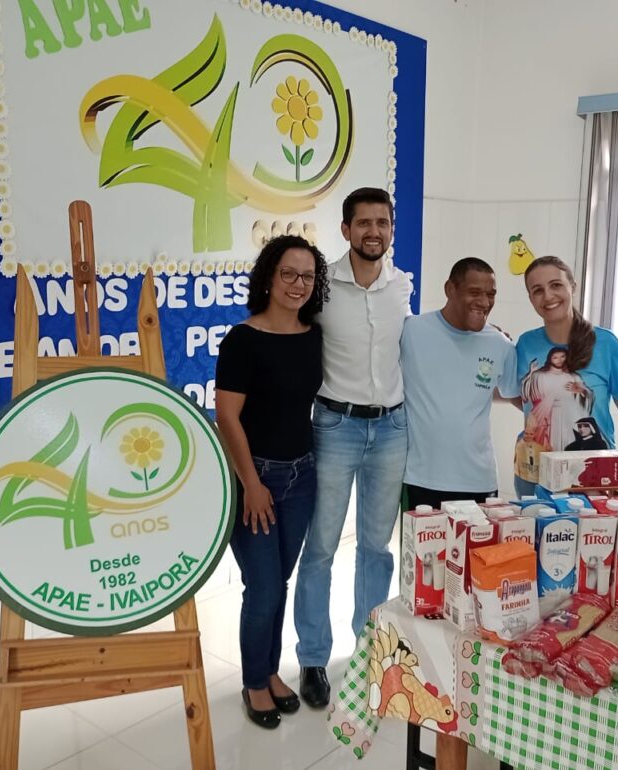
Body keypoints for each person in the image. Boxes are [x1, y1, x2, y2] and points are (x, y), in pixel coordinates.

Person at [293, 187, 412, 709]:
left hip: (391, 428)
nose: (373, 232)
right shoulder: (322, 286)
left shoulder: (401, 285)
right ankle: (313, 658)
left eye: (382, 223)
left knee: (376, 548)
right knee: (320, 547)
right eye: (363, 223)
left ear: (391, 229)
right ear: (345, 230)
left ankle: (369, 653)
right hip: (335, 427)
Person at [214, 235, 328, 729]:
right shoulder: (243, 340)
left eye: (307, 276)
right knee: (261, 587)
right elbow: (227, 417)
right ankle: (254, 682)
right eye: (288, 273)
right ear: (267, 277)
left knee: (278, 582)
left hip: (302, 476)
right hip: (255, 478)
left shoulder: (313, 335)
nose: (298, 284)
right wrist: (251, 484)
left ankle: (270, 671)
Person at [513, 255, 618, 496]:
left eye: (556, 285)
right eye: (537, 290)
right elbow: (519, 395)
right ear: (530, 298)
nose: (548, 296)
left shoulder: (607, 344)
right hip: (536, 473)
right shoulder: (526, 345)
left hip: (593, 472)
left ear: (572, 286)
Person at [400, 258, 519, 508]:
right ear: (450, 289)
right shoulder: (411, 331)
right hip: (421, 479)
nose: (484, 302)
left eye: (491, 294)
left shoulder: (501, 345)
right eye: (474, 292)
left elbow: (514, 395)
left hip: (479, 482)